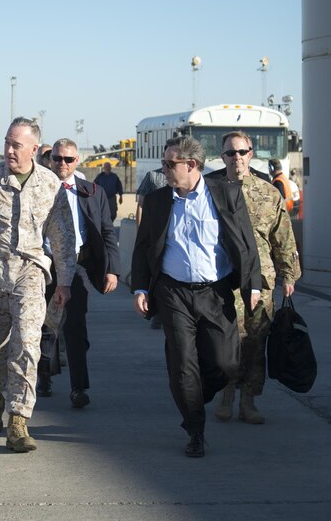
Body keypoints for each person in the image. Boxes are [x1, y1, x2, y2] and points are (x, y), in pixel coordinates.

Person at [130, 135, 261, 458]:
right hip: (173, 292)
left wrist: (253, 285)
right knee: (182, 365)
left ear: (191, 165)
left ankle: (195, 396)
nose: (163, 170)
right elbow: (144, 245)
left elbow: (246, 243)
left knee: (226, 362)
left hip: (215, 292)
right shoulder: (159, 200)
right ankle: (195, 429)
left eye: (169, 164)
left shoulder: (227, 194)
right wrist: (141, 287)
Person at [0, 117, 77, 452]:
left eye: (16, 145)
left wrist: (65, 281)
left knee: (26, 346)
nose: (9, 150)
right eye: (7, 143)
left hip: (31, 273)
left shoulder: (50, 184)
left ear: (34, 149)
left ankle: (18, 420)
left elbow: (63, 237)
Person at [215, 131, 300, 424]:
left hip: (261, 282)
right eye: (230, 153)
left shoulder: (268, 192)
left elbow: (283, 238)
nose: (236, 158)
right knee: (226, 343)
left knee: (255, 342)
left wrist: (288, 274)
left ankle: (248, 400)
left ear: (251, 153)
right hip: (224, 281)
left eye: (242, 152)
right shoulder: (211, 189)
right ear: (222, 155)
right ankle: (225, 394)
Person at [39, 139, 120, 408]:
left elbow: (107, 231)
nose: (63, 164)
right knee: (46, 328)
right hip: (45, 267)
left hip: (77, 267)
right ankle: (44, 377)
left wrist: (112, 270)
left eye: (69, 159)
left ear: (78, 162)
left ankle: (78, 388)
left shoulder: (92, 191)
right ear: (50, 160)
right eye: (57, 158)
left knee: (76, 330)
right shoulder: (37, 189)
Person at [135, 166, 169, 329]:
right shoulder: (153, 177)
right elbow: (141, 204)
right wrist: (141, 231)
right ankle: (156, 313)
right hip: (154, 234)